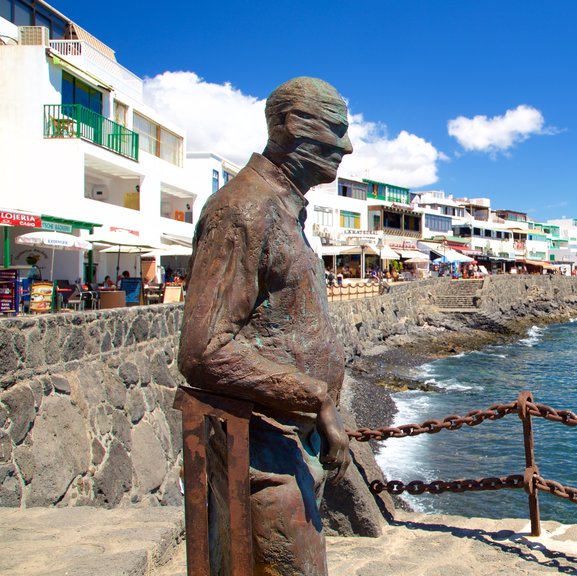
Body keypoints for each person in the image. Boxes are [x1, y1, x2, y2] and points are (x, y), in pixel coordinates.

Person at [178, 77, 352, 576]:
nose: (347, 145)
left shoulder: (281, 209)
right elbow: (204, 349)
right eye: (336, 130)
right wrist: (314, 395)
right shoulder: (243, 209)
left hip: (288, 441)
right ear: (293, 125)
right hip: (261, 446)